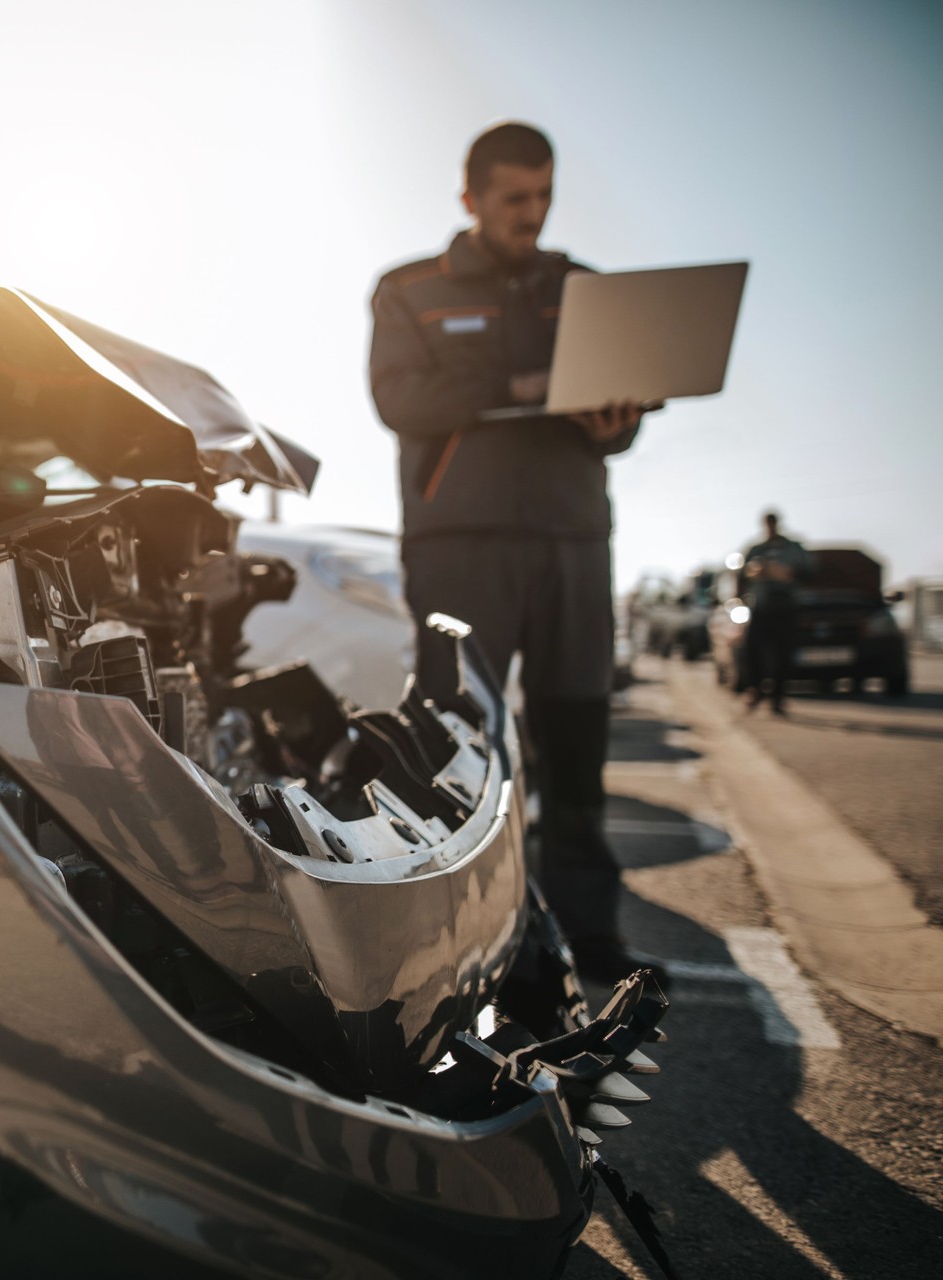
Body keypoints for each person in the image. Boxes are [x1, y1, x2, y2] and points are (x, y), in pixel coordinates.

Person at [368, 121, 657, 987]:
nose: (532, 214)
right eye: (514, 199)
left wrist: (619, 422)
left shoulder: (585, 291)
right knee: (454, 742)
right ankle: (440, 948)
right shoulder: (408, 291)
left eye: (544, 196)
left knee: (575, 744)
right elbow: (401, 399)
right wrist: (526, 388)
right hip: (462, 544)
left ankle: (589, 940)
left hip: (573, 540)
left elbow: (620, 424)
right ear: (471, 199)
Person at [739, 510, 811, 713]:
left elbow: (809, 572)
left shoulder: (794, 548)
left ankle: (778, 697)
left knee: (783, 652)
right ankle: (755, 689)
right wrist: (755, 572)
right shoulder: (756, 549)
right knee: (753, 650)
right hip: (761, 607)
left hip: (786, 606)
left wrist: (787, 573)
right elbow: (742, 574)